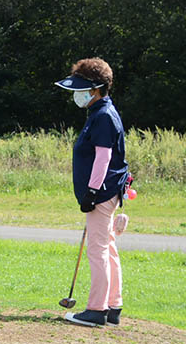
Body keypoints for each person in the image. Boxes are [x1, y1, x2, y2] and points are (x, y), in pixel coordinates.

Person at [55, 57, 130, 327]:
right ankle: (113, 306)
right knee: (107, 246)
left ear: (96, 89)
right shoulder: (101, 112)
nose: (77, 94)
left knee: (97, 249)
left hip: (102, 192)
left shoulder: (102, 116)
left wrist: (91, 191)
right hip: (107, 191)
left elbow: (103, 158)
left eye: (81, 89)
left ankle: (97, 310)